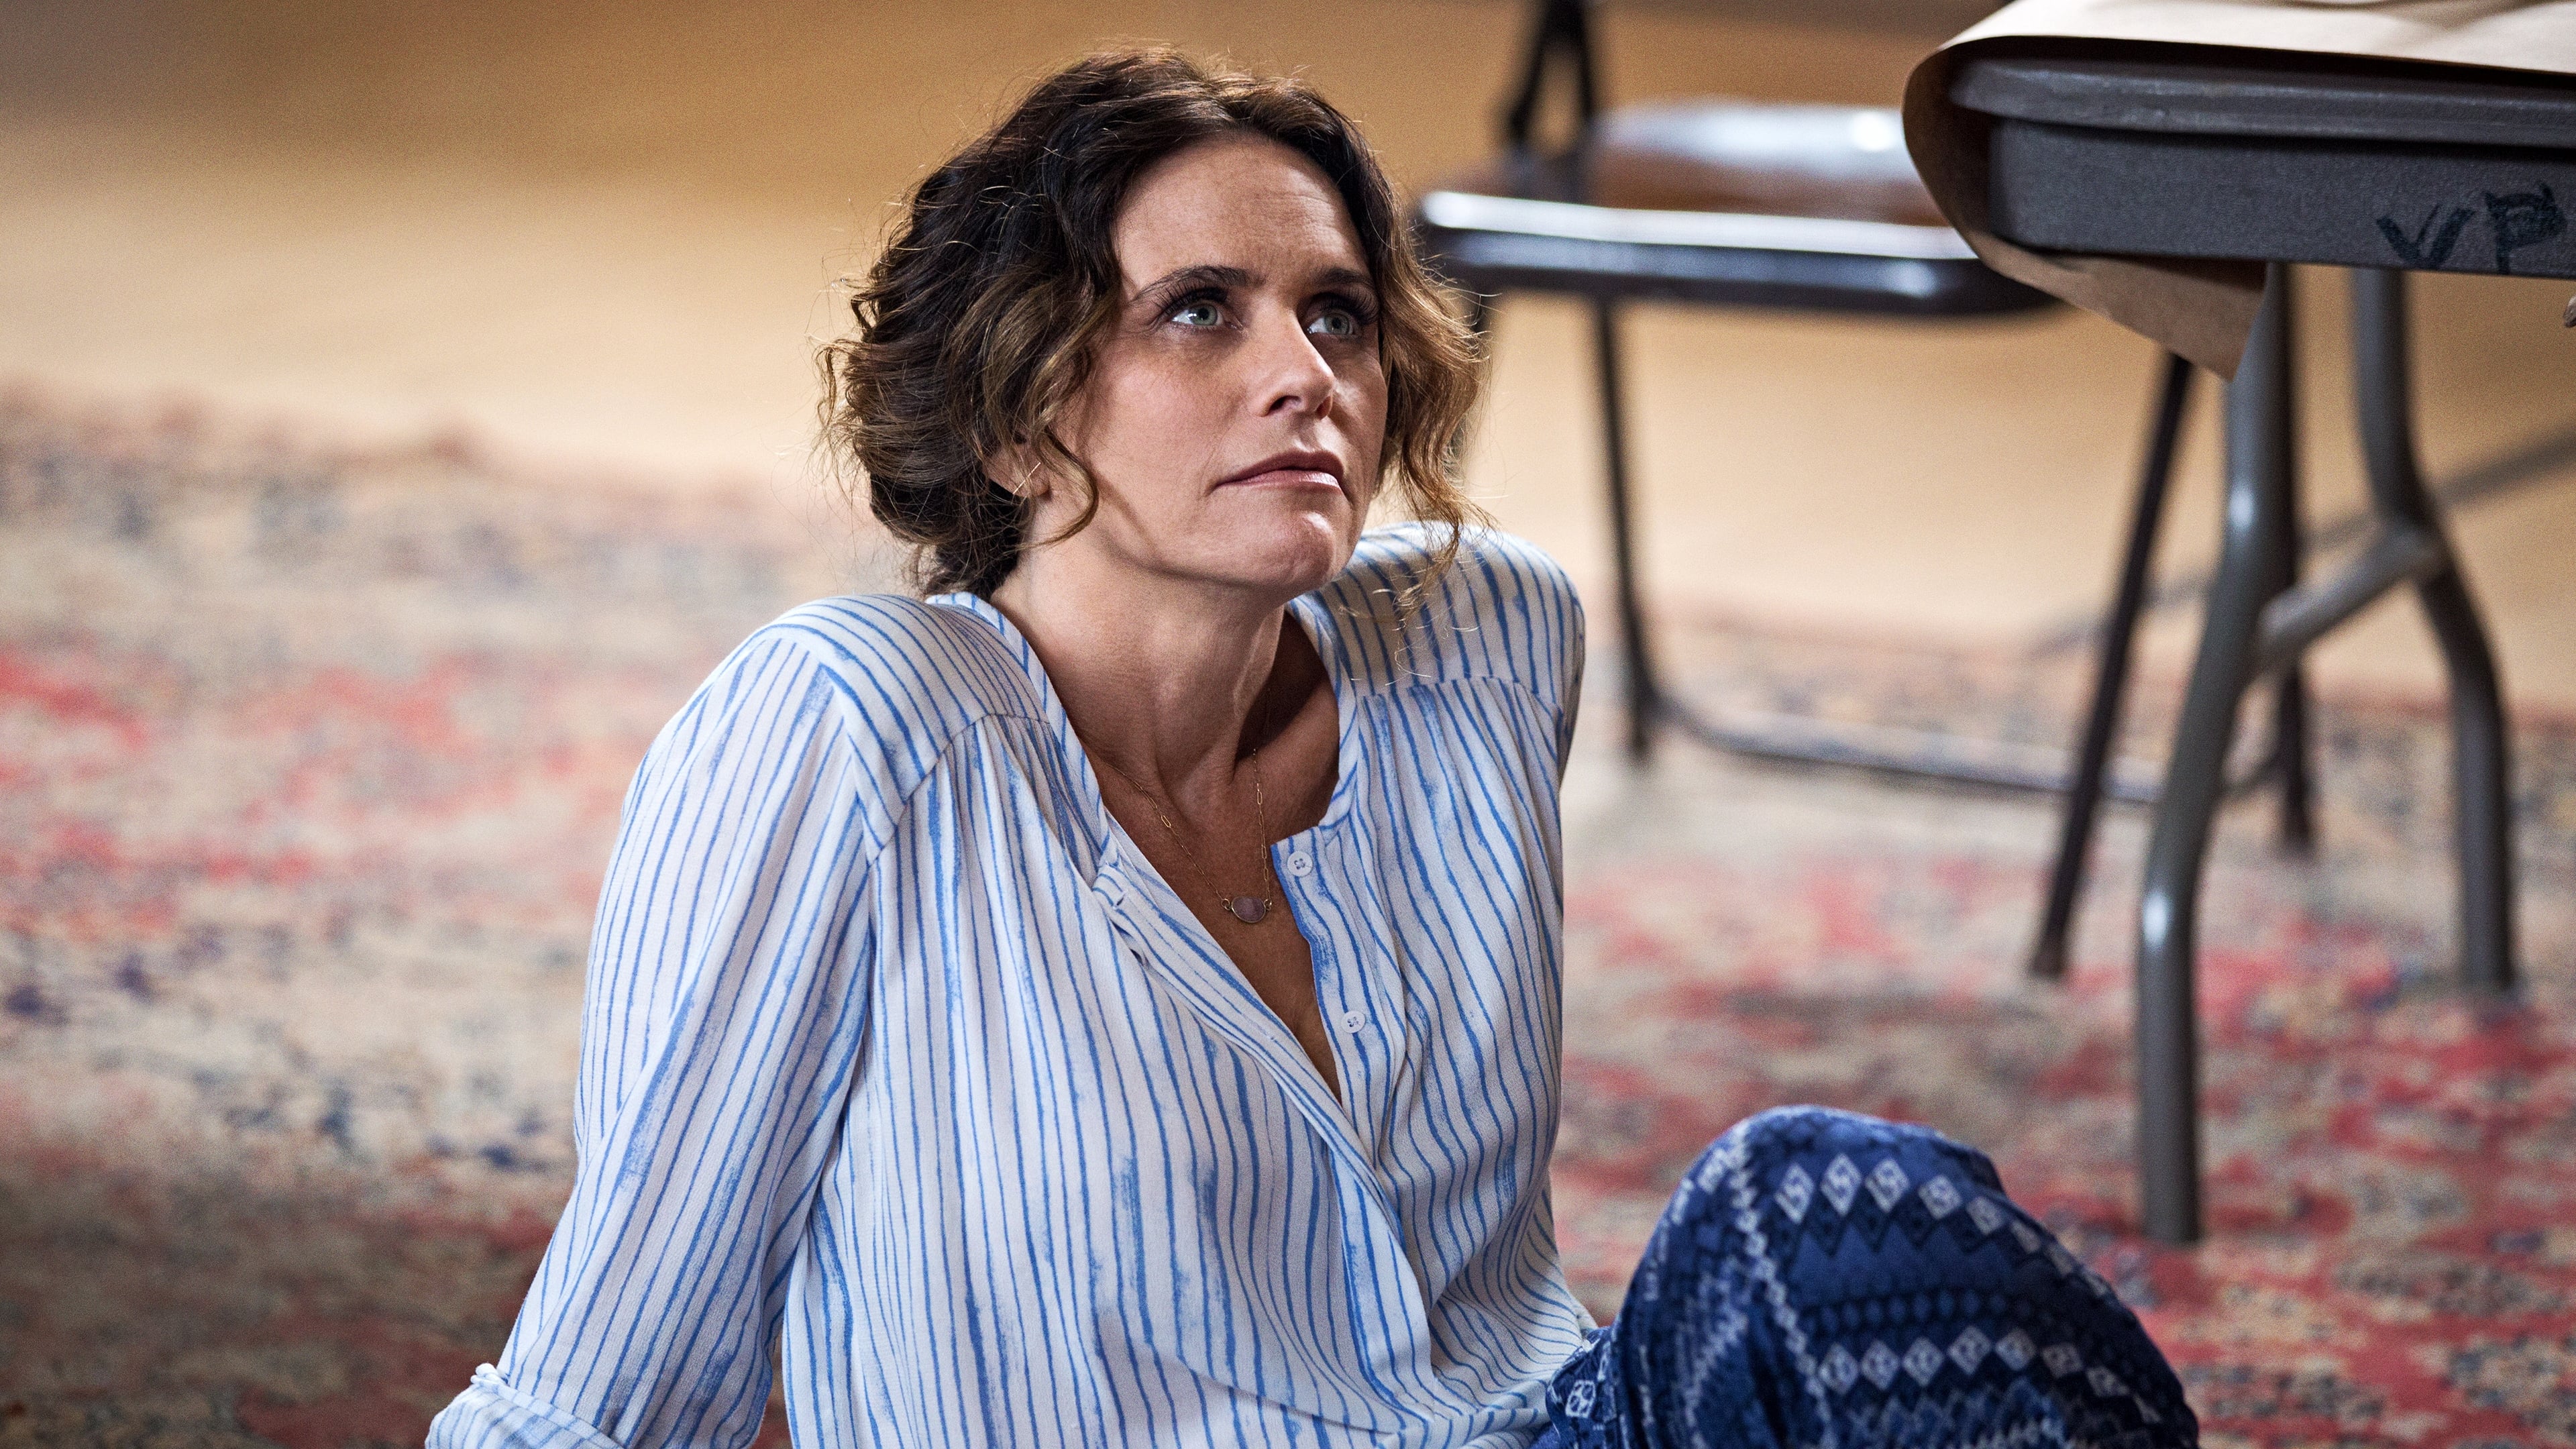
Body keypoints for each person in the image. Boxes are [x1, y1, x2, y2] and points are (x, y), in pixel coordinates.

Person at [427, 46, 2195, 1449]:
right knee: (1792, 1209)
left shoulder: (1485, 645)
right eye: (1201, 310)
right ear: (1021, 416)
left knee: (1837, 1225)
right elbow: (610, 1376)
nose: (1307, 376)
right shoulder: (848, 732)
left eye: (1337, 312)